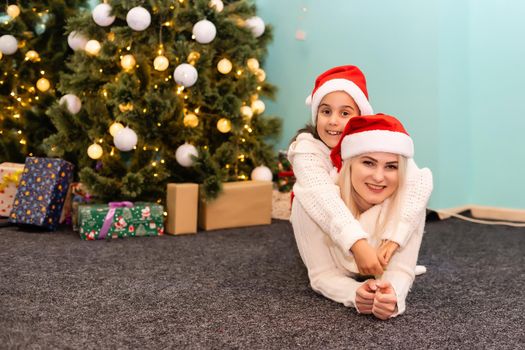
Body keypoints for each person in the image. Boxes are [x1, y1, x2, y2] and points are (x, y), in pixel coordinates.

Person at [288, 65, 432, 277]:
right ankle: (347, 266)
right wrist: (357, 243)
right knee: (319, 196)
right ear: (316, 115)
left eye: (344, 113)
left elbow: (419, 181)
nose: (334, 121)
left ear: (359, 116)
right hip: (324, 227)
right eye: (326, 111)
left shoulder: (369, 143)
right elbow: (324, 199)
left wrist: (395, 238)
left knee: (394, 182)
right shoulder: (306, 150)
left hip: (360, 225)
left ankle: (384, 261)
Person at [291, 113, 432, 319]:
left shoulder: (409, 201)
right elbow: (322, 275)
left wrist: (392, 295)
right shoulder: (311, 203)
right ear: (350, 164)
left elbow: (401, 269)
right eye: (368, 163)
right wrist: (353, 293)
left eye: (391, 166)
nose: (378, 177)